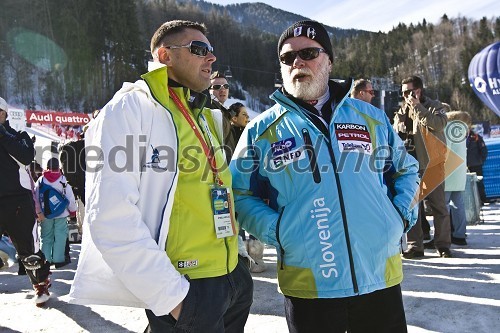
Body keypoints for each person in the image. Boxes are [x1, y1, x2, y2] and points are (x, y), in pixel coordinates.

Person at [230, 20, 419, 333]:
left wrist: (398, 217)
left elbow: (405, 169)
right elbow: (238, 193)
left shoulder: (368, 117)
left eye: (308, 53)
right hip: (309, 283)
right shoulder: (261, 131)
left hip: (378, 276)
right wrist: (279, 231)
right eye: (287, 58)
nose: (297, 62)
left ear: (329, 61)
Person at [69, 20, 253, 333]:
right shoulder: (129, 109)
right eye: (200, 50)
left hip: (231, 277)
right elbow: (109, 218)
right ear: (165, 55)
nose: (211, 58)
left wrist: (238, 266)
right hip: (185, 287)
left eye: (212, 52)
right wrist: (173, 299)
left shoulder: (205, 114)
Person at [0, 96, 52, 306]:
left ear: (4, 114)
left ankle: (40, 283)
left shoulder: (18, 136)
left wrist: (2, 134)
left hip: (18, 201)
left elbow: (25, 157)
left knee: (27, 249)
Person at [394, 75, 451, 258]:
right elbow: (397, 134)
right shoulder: (402, 110)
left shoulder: (435, 106)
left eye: (407, 92)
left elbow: (439, 124)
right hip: (411, 167)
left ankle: (443, 245)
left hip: (432, 165)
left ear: (417, 91)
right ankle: (415, 246)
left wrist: (418, 107)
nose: (404, 96)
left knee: (439, 207)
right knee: (413, 208)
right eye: (402, 93)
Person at [35, 157, 77, 268]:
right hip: (61, 213)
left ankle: (46, 260)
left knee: (46, 236)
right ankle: (58, 260)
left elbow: (35, 198)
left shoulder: (41, 180)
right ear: (58, 167)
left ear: (47, 167)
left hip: (46, 214)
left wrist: (39, 212)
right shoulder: (62, 180)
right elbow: (70, 198)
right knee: (60, 236)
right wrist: (73, 211)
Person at [444, 111, 471, 246]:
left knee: (443, 206)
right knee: (458, 204)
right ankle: (460, 235)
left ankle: (444, 235)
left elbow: (445, 151)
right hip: (459, 172)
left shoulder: (448, 127)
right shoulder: (462, 130)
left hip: (448, 171)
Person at [209, 71, 236, 163]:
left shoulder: (224, 112)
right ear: (209, 90)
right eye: (217, 87)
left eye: (226, 86)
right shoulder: (210, 109)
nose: (223, 89)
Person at [466, 126, 488, 204]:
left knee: (479, 182)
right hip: (464, 165)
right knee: (467, 185)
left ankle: (483, 199)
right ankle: (472, 202)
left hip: (476, 164)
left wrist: (481, 160)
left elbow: (484, 150)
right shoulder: (459, 138)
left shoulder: (476, 137)